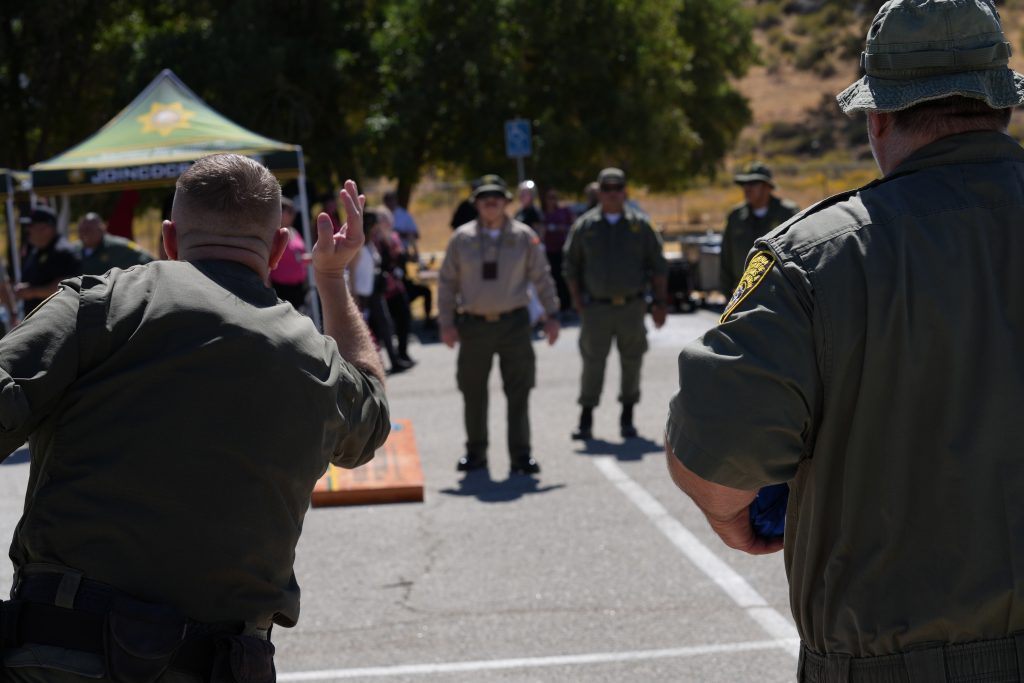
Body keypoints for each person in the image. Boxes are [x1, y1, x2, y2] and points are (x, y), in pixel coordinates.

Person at [665, 0, 1024, 678]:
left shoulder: (817, 259)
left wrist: (733, 517)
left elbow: (715, 466)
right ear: (1002, 105)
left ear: (878, 118)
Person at [0, 154, 390, 681]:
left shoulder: (104, 305)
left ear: (169, 238)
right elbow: (372, 412)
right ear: (278, 249)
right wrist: (332, 276)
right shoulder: (317, 360)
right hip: (225, 664)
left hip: (65, 654)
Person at [438, 175, 560, 476]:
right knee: (473, 391)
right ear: (476, 203)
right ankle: (475, 453)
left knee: (519, 391)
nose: (490, 201)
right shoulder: (461, 239)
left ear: (507, 201)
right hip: (473, 326)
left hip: (514, 325)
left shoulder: (523, 237)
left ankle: (521, 456)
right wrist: (446, 323)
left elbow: (541, 277)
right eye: (484, 197)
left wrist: (552, 314)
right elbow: (447, 283)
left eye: (496, 196)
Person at [563, 168, 668, 441]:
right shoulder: (585, 226)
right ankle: (586, 419)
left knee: (632, 362)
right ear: (598, 191)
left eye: (617, 188)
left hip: (632, 307)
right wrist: (577, 302)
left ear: (624, 191)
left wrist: (660, 303)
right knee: (592, 362)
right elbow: (571, 266)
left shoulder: (640, 226)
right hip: (596, 308)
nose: (612, 194)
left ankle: (627, 417)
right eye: (606, 189)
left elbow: (657, 266)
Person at [718, 161, 797, 295]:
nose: (747, 189)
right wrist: (726, 292)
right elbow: (726, 257)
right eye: (744, 184)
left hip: (779, 293)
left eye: (753, 183)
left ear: (767, 187)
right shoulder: (735, 217)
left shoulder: (788, 213)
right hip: (743, 293)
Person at [15, 205, 82, 315]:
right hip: (37, 318)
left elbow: (67, 286)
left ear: (46, 229)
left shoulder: (62, 252)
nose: (28, 230)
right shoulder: (36, 250)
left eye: (32, 226)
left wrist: (33, 292)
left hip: (57, 319)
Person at [77, 211, 154, 275]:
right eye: (81, 230)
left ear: (101, 229)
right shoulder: (75, 250)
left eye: (89, 229)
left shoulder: (117, 246)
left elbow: (143, 256)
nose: (84, 234)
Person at [270, 196, 310, 310]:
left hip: (298, 287)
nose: (294, 214)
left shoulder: (294, 231)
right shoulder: (274, 234)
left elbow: (297, 255)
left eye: (293, 211)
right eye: (290, 211)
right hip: (281, 288)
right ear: (280, 213)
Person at [540, 188, 575, 315]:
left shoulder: (563, 211)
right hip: (548, 251)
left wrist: (558, 228)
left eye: (555, 197)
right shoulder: (542, 213)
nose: (552, 200)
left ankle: (567, 306)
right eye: (550, 197)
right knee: (551, 278)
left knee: (563, 278)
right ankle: (554, 308)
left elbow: (571, 226)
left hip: (562, 249)